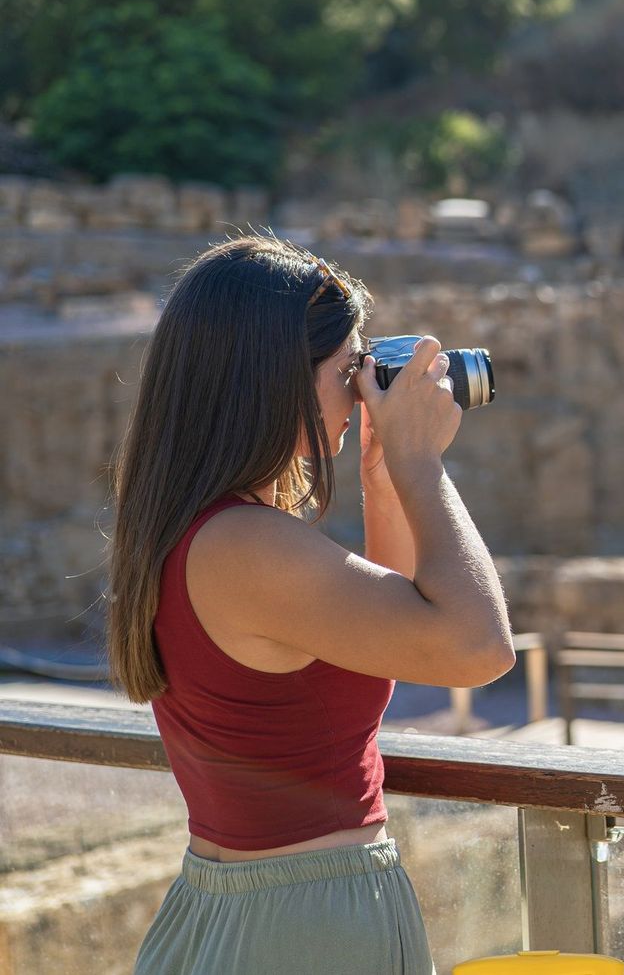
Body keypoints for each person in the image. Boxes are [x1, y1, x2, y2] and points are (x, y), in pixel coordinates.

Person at [105, 235, 515, 975]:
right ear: (276, 381)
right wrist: (422, 463)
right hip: (308, 924)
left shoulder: (195, 531)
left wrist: (385, 474)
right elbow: (477, 646)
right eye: (349, 370)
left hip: (229, 910)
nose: (364, 390)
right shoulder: (248, 546)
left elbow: (393, 637)